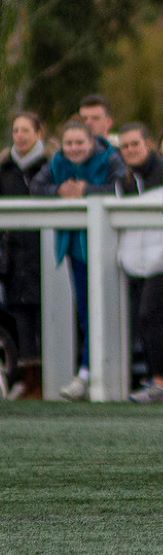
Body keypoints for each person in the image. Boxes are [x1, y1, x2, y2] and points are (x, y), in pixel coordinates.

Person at [29, 118, 126, 400]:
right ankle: (87, 373)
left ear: (91, 142)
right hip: (74, 248)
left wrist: (87, 191)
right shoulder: (57, 162)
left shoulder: (110, 158)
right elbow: (37, 187)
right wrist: (57, 191)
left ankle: (96, 374)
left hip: (109, 249)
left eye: (79, 143)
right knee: (85, 310)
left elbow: (121, 188)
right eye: (69, 143)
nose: (74, 148)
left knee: (107, 311)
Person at [116, 122, 163, 403]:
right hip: (139, 263)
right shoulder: (122, 179)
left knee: (156, 317)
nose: (130, 150)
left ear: (148, 143)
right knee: (155, 320)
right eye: (124, 146)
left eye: (135, 144)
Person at [0, 112, 52, 397]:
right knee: (21, 318)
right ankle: (28, 378)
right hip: (14, 258)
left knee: (48, 318)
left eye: (25, 130)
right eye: (15, 130)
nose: (19, 135)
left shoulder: (51, 166)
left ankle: (48, 376)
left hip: (46, 255)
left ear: (39, 133)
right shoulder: (5, 169)